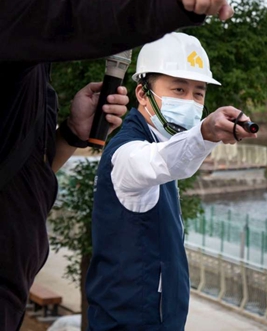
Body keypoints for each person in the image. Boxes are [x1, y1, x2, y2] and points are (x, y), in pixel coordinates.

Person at [0, 0, 260, 328]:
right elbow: (71, 5)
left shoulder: (24, 58)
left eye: (198, 92)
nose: (189, 99)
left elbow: (22, 175)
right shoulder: (4, 0)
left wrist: (70, 134)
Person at [86, 33, 255, 329]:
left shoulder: (161, 140)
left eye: (198, 93)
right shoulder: (127, 152)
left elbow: (173, 158)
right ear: (142, 94)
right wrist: (205, 133)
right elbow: (161, 161)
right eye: (178, 89)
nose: (190, 101)